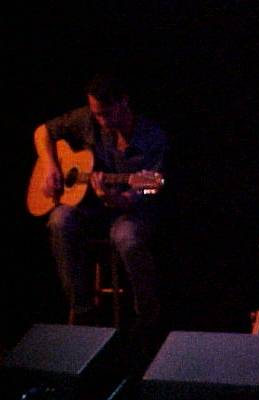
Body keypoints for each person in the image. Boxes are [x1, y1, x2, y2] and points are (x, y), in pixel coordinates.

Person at [32, 71, 169, 364]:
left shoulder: (152, 137)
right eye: (96, 114)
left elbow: (148, 192)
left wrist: (114, 198)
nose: (101, 120)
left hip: (131, 210)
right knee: (60, 220)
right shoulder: (88, 118)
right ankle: (82, 312)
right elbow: (43, 131)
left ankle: (147, 323)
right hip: (90, 208)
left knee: (126, 238)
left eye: (106, 113)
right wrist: (51, 166)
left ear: (124, 101)